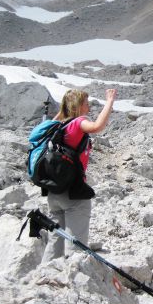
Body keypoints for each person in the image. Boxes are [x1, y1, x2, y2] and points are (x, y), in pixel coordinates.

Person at [41, 88, 117, 263]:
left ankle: (45, 277)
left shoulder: (57, 125)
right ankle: (72, 281)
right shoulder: (77, 123)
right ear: (78, 105)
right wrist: (110, 102)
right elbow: (97, 126)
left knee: (55, 240)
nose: (88, 106)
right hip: (73, 193)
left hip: (54, 191)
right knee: (76, 246)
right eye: (85, 103)